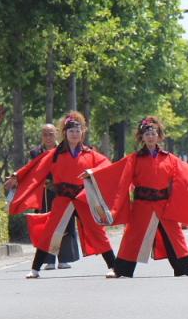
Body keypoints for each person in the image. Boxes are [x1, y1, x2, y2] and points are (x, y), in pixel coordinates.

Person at [83, 116, 188, 278]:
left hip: (163, 203)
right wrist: (92, 174)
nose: (150, 136)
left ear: (159, 136)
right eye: (146, 134)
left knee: (174, 235)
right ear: (141, 137)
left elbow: (186, 173)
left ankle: (187, 267)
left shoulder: (169, 158)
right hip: (142, 204)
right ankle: (121, 269)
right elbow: (116, 172)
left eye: (153, 133)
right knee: (133, 236)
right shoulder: (134, 158)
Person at [7, 111, 117, 279]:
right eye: (71, 131)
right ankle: (35, 269)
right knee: (50, 231)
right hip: (63, 198)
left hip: (82, 198)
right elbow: (35, 169)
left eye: (77, 131)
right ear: (65, 133)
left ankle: (113, 266)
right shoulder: (55, 154)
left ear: (82, 133)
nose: (74, 134)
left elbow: (107, 166)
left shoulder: (90, 154)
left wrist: (92, 171)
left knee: (97, 231)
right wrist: (17, 176)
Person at [11, 124, 81, 271]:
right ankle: (49, 260)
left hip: (63, 192)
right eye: (45, 134)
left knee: (66, 225)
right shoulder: (35, 152)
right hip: (45, 194)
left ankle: (63, 259)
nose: (48, 137)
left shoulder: (64, 149)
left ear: (56, 134)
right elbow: (32, 171)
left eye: (51, 134)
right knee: (46, 225)